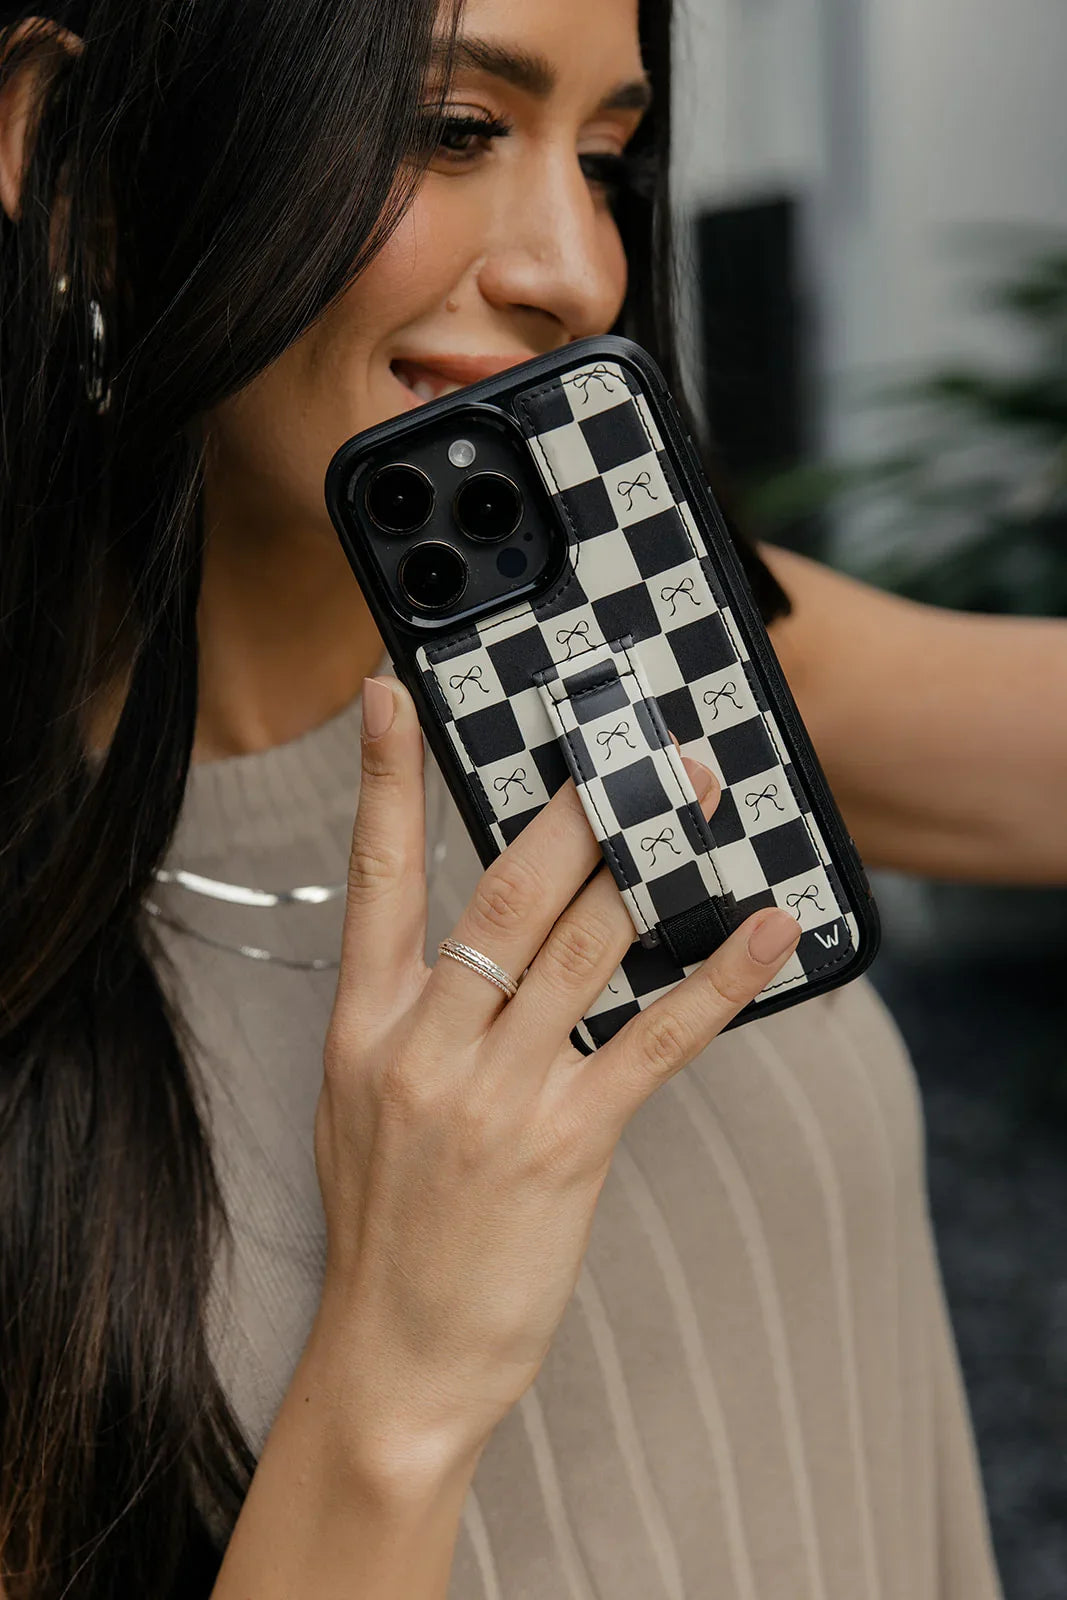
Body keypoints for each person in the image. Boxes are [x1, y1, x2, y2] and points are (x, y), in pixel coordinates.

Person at [0, 0, 1013, 1595]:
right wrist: (399, 1369)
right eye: (455, 129)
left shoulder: (688, 662)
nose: (581, 269)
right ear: (72, 160)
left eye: (608, 159)